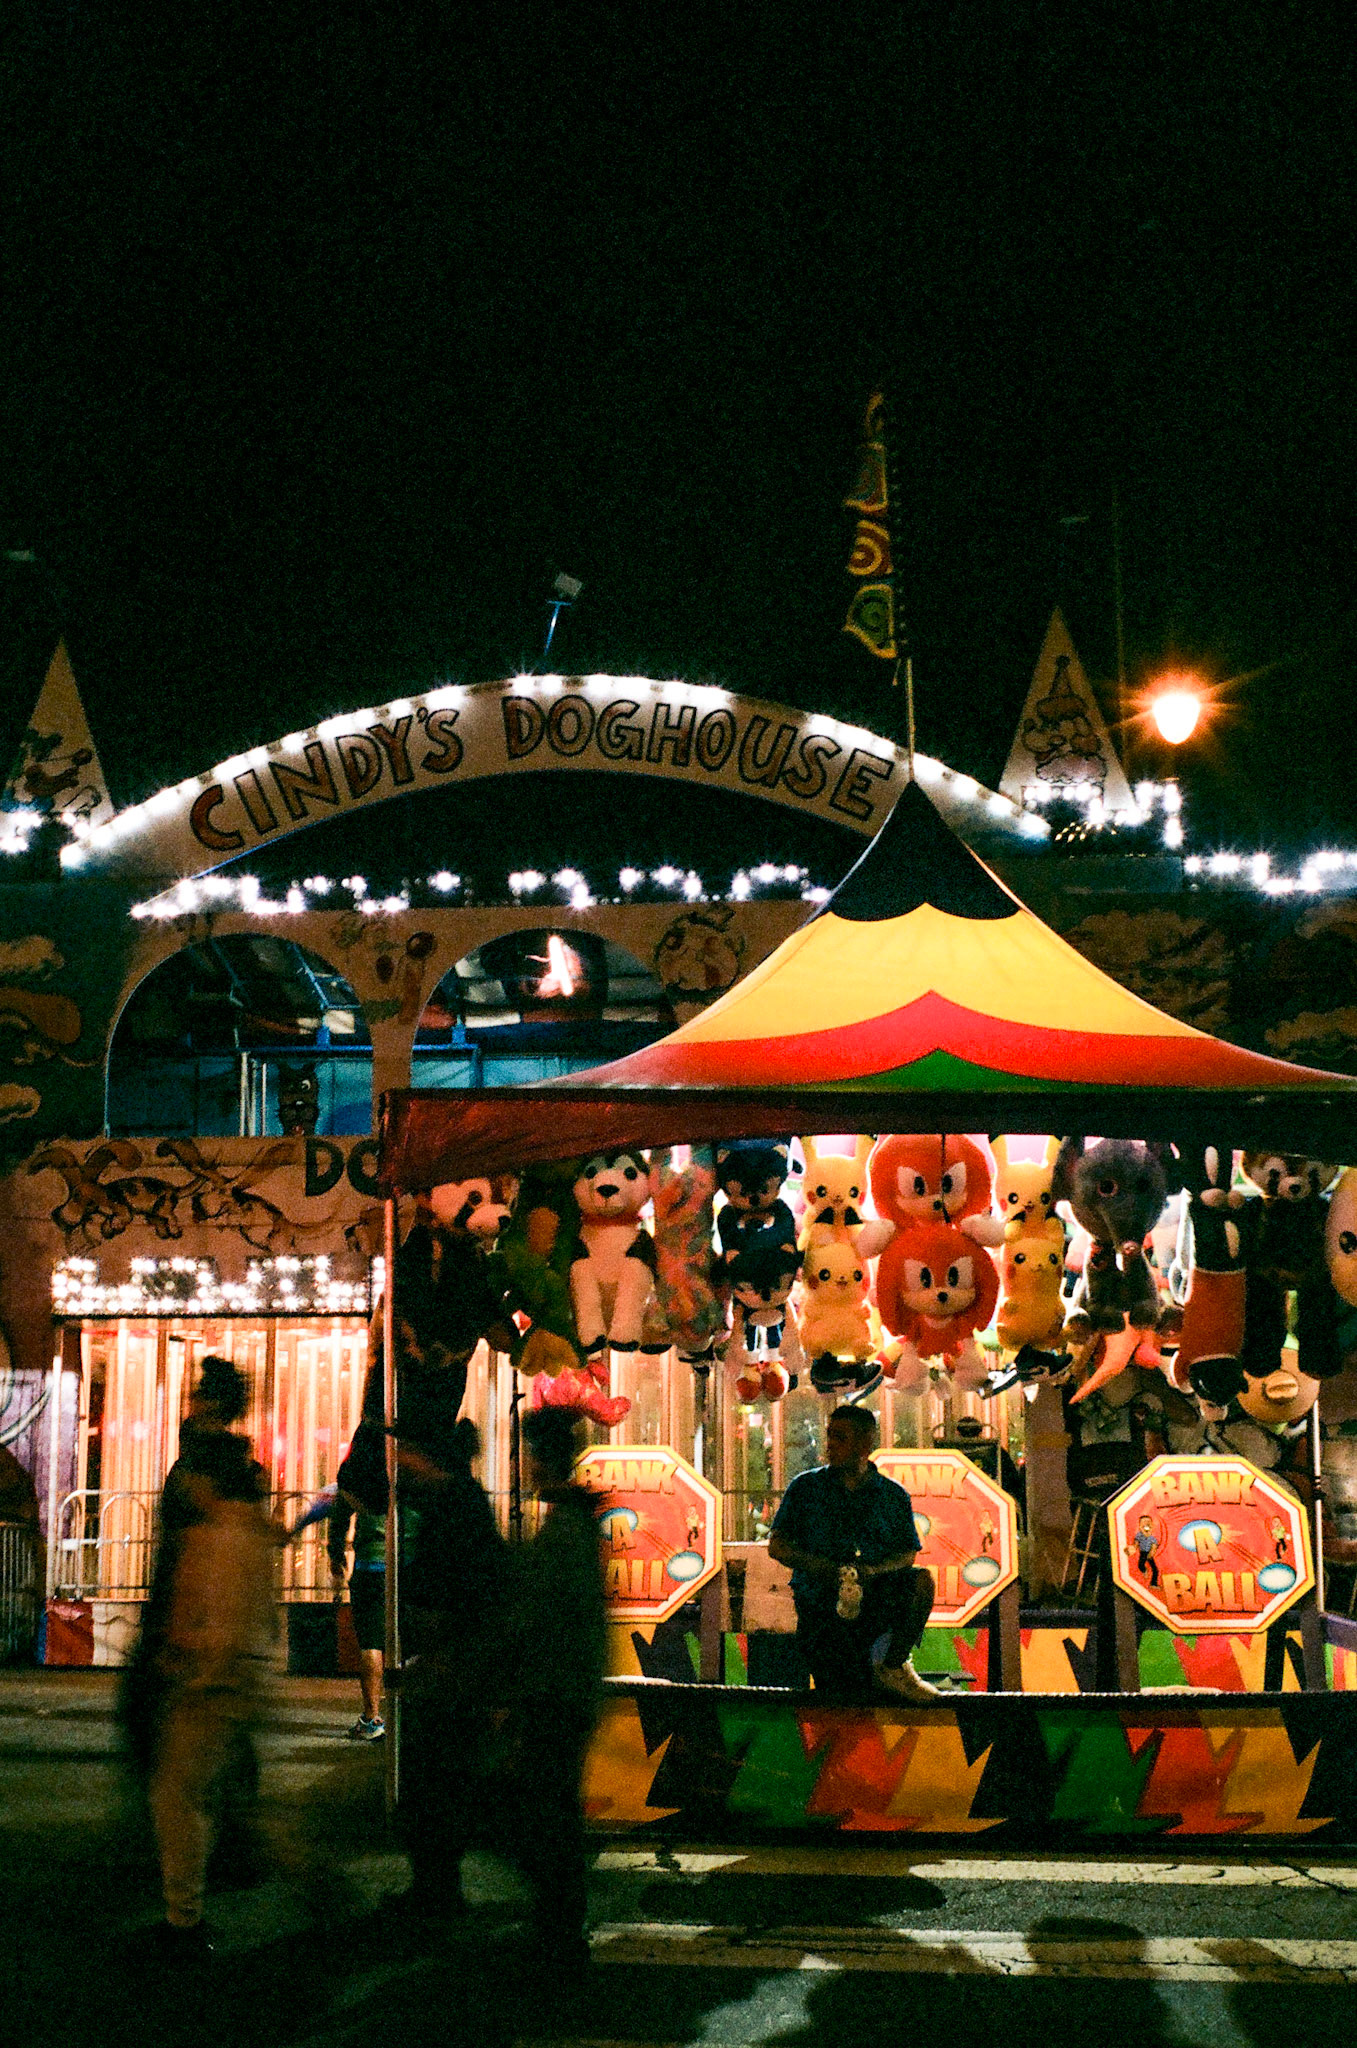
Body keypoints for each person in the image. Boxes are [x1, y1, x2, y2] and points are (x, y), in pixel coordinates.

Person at [127, 1357, 278, 1956]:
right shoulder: (237, 1507)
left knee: (180, 1784)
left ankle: (187, 1912)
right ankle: (213, 1867)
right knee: (202, 1773)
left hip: (206, 1662)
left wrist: (182, 1651)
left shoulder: (210, 1512)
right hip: (221, 1660)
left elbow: (195, 1588)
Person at [495, 1405, 606, 1976]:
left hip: (554, 1692)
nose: (522, 1464)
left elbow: (542, 1619)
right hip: (566, 1689)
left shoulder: (565, 1529)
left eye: (525, 1453)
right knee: (551, 1812)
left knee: (547, 1815)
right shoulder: (574, 1520)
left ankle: (559, 1933)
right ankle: (558, 1927)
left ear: (539, 1458)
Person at [768, 1405, 938, 1701]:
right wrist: (820, 1567)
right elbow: (777, 1545)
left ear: (864, 1444)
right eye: (829, 1436)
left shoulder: (893, 1495)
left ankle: (893, 1665)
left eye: (840, 1437)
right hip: (820, 1602)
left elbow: (907, 1554)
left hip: (876, 1599)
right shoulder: (806, 1488)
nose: (830, 1445)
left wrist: (873, 1572)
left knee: (922, 1581)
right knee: (838, 1693)